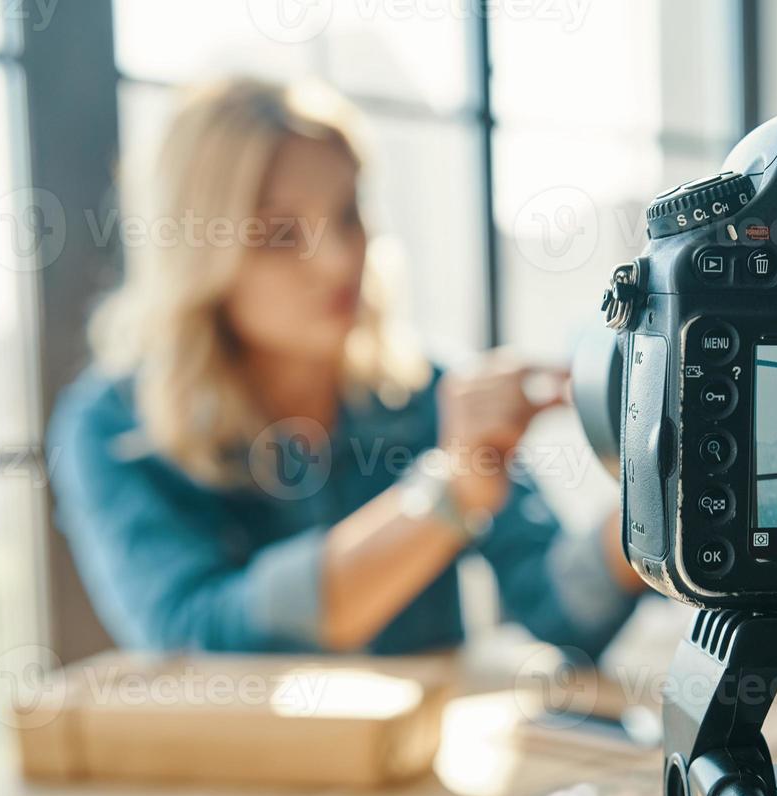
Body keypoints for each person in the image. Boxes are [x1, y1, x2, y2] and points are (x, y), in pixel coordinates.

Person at [47, 77, 642, 657]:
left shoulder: (428, 393)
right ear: (200, 251)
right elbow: (195, 636)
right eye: (281, 233)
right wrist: (448, 495)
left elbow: (560, 611)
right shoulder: (112, 427)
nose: (338, 260)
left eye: (348, 214)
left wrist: (660, 503)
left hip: (420, 756)